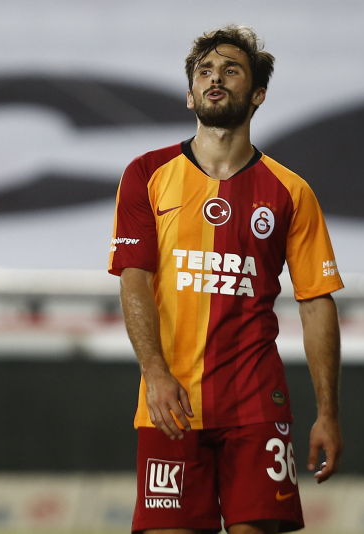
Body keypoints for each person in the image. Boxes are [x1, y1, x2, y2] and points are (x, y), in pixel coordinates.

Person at [108, 25, 343, 534]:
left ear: (257, 94)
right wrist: (155, 373)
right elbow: (133, 281)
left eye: (231, 70)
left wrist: (328, 412)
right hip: (171, 403)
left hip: (256, 407)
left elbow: (316, 302)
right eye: (205, 72)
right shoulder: (146, 173)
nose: (215, 79)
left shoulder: (291, 191)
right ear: (190, 94)